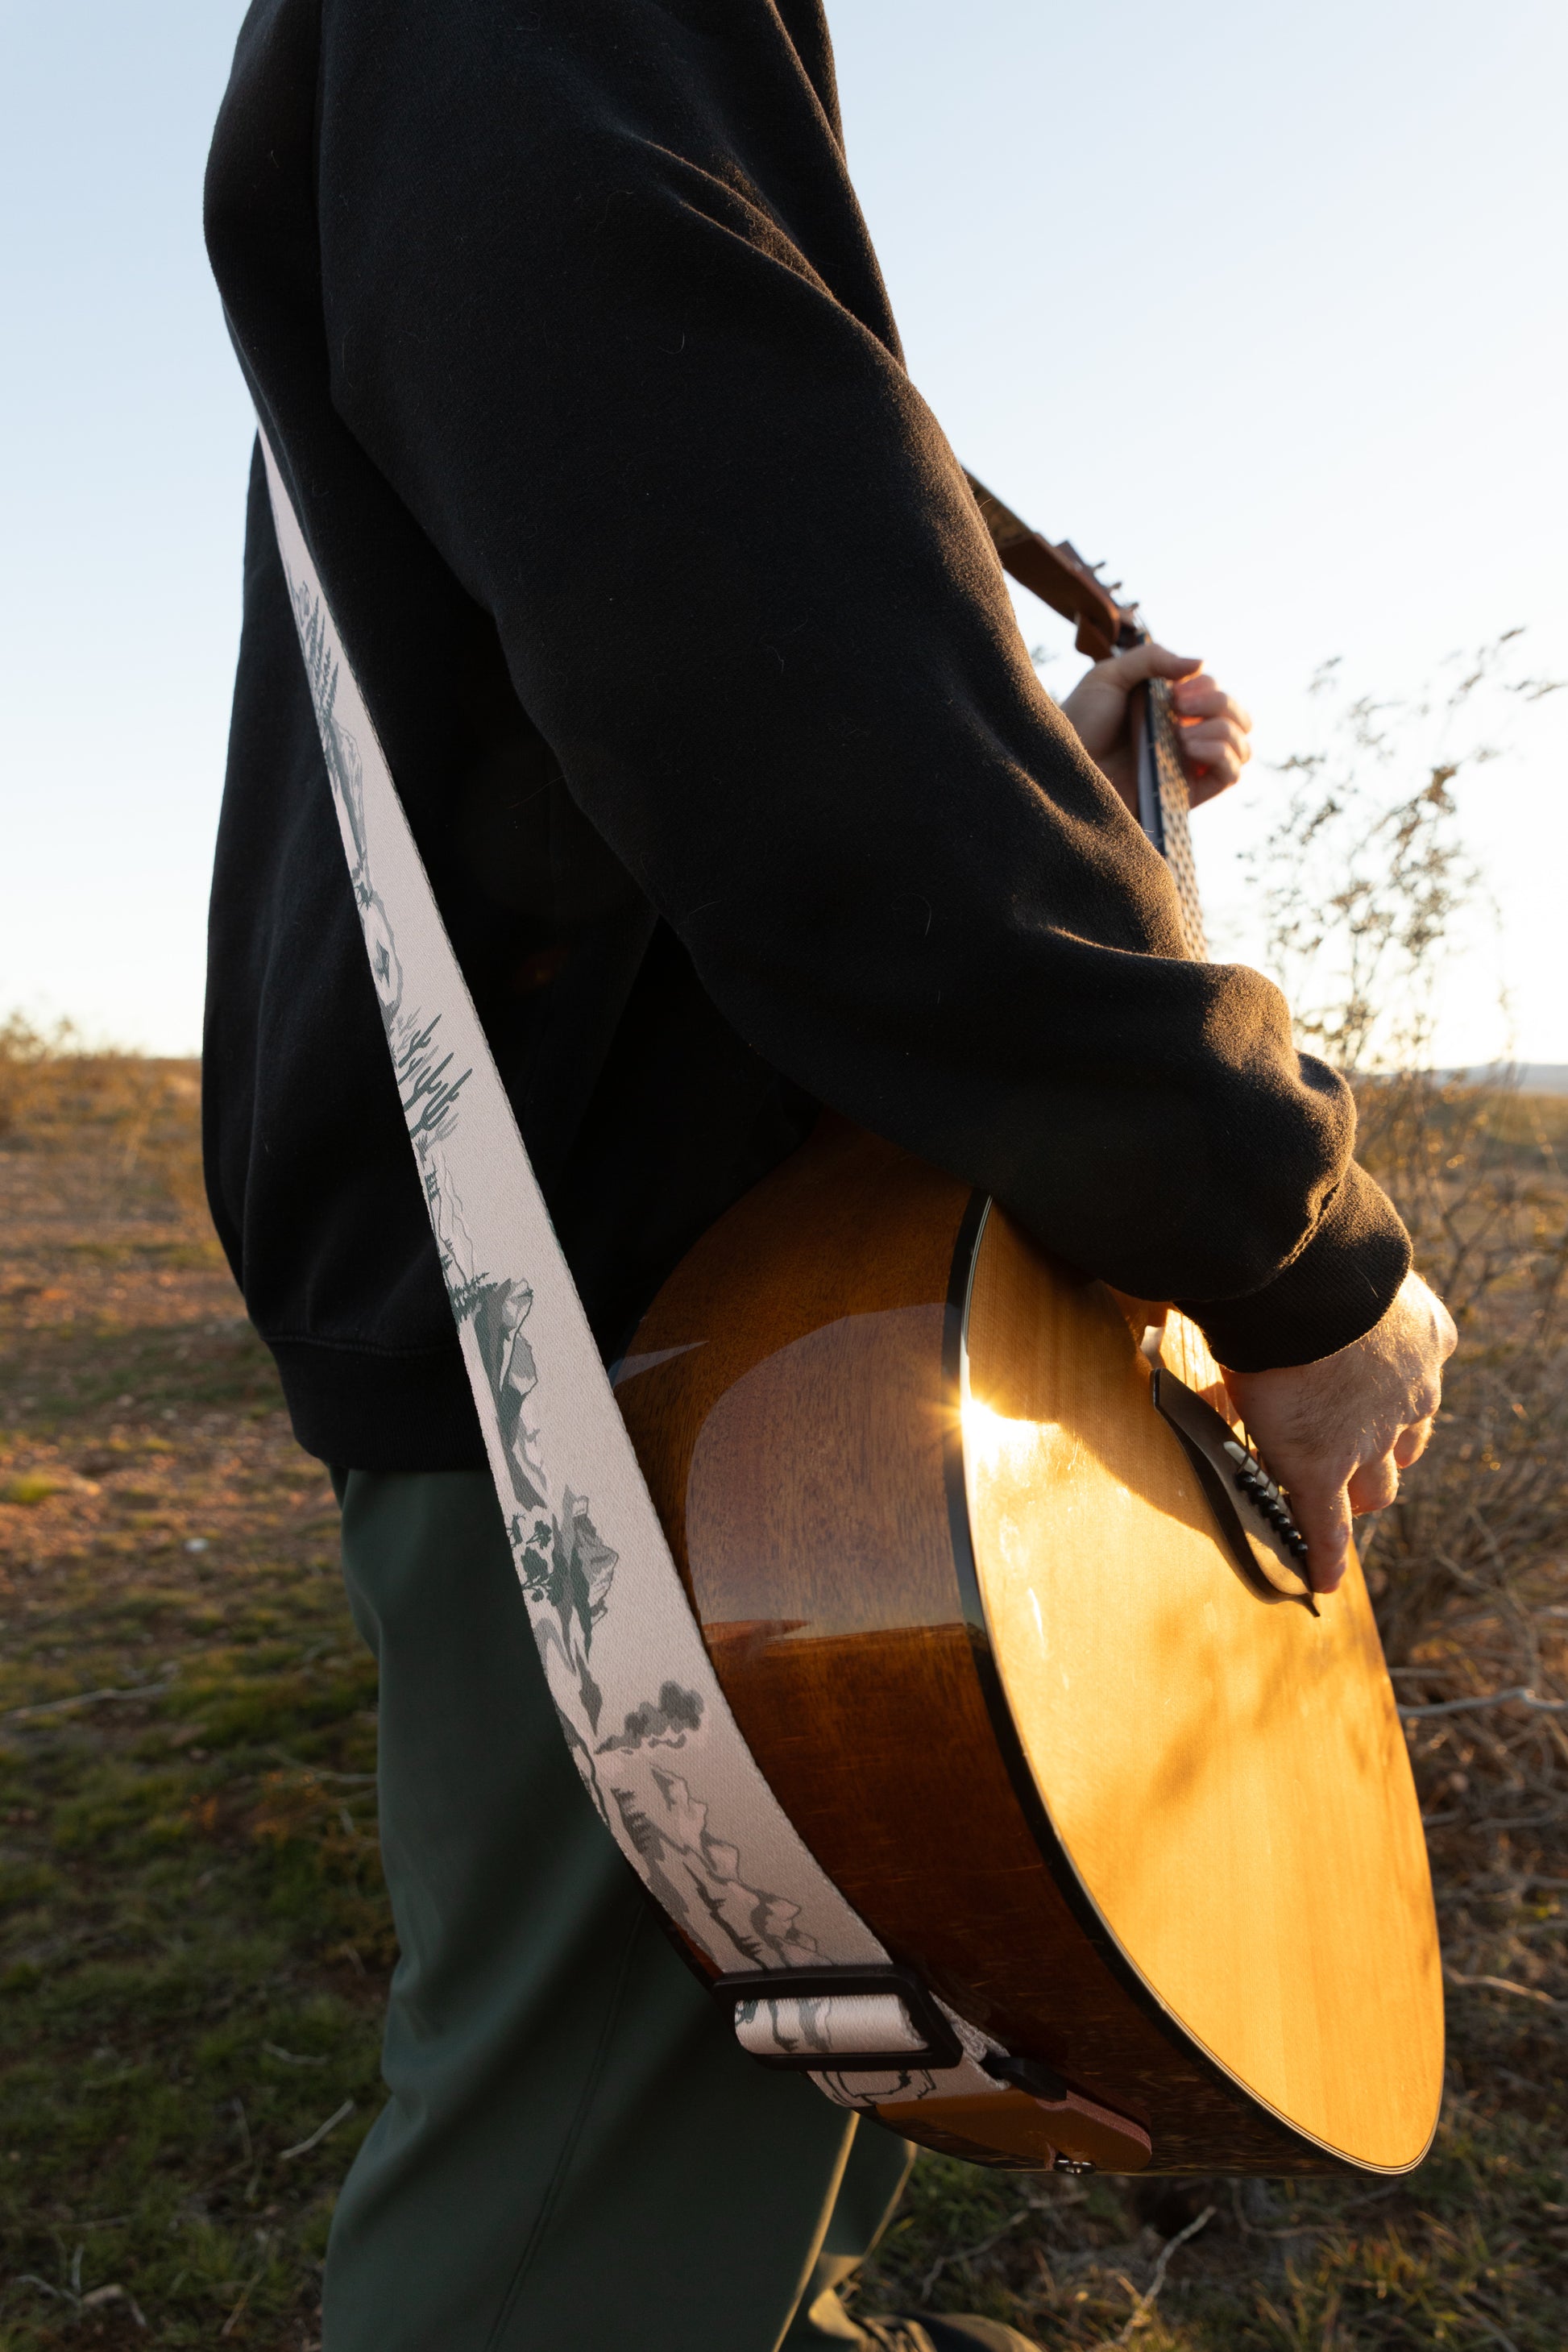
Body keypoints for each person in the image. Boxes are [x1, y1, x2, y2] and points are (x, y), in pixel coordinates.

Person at [201, 6, 1455, 2348]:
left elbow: (709, 609)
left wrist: (1043, 775)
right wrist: (1284, 1240)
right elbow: (750, 658)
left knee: (721, 2123)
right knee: (589, 2203)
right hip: (650, 1331)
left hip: (692, 1294)